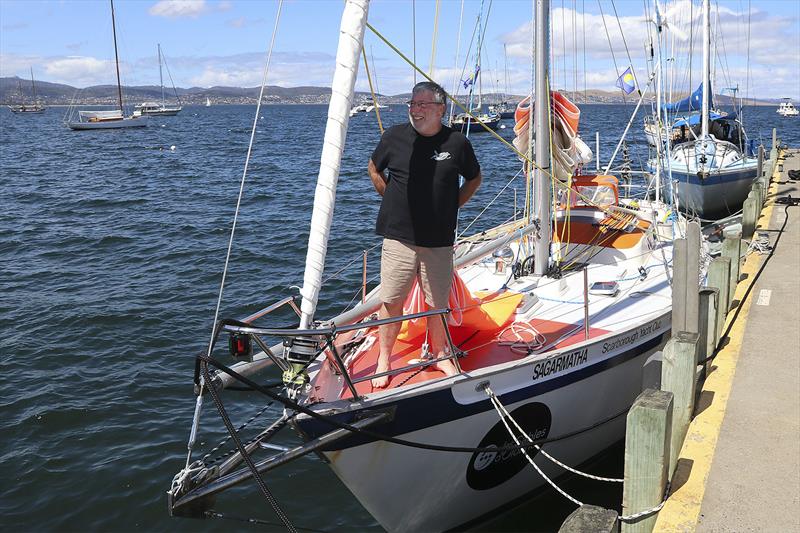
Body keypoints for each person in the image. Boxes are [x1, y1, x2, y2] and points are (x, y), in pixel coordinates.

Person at [367, 81, 482, 388]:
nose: (415, 110)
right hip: (399, 237)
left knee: (437, 302)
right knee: (391, 301)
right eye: (412, 105)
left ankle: (442, 354)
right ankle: (384, 357)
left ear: (440, 109)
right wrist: (391, 197)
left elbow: (474, 178)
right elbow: (373, 169)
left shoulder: (457, 143)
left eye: (422, 105)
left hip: (438, 240)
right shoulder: (394, 137)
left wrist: (452, 204)